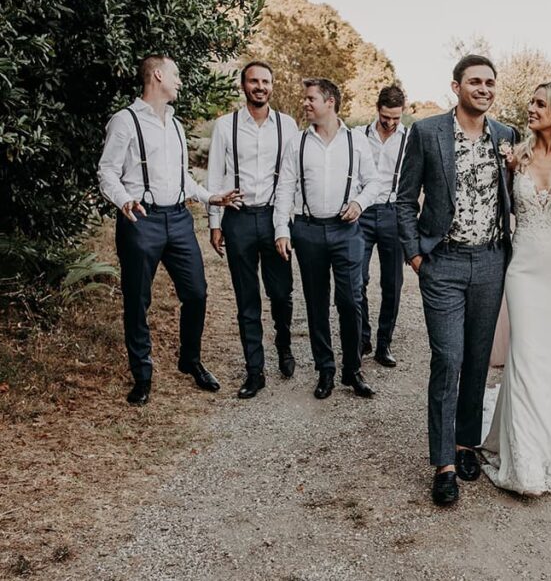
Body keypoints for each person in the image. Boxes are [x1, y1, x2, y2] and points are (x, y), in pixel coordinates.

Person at [395, 55, 516, 506]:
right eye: (475, 82)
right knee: (448, 358)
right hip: (441, 263)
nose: (483, 89)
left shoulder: (506, 136)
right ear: (456, 86)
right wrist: (414, 253)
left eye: (489, 83)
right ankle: (443, 462)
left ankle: (467, 443)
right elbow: (404, 198)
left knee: (478, 360)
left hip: (490, 262)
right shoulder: (426, 132)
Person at [98, 54, 242, 406]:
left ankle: (189, 360)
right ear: (158, 75)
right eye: (176, 74)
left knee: (197, 293)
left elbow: (184, 180)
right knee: (138, 300)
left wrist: (212, 198)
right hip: (140, 221)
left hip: (179, 221)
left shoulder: (176, 125)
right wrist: (124, 201)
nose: (179, 81)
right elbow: (106, 172)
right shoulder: (125, 121)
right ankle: (142, 375)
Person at [480, 81, 551, 496]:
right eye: (531, 102)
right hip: (524, 268)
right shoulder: (516, 154)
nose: (531, 108)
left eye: (540, 104)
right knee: (526, 352)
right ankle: (524, 456)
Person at [273, 78, 383, 400]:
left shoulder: (356, 141)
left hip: (346, 230)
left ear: (330, 101)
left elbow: (374, 183)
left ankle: (353, 369)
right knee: (316, 303)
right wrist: (282, 229)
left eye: (311, 99)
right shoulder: (297, 142)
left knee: (351, 300)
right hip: (307, 230)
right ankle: (326, 370)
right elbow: (284, 188)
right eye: (305, 99)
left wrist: (359, 203)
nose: (306, 104)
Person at [207, 61, 299, 399]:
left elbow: (293, 176)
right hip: (239, 218)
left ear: (272, 86)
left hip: (275, 218)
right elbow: (215, 176)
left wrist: (288, 222)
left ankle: (284, 346)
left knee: (281, 293)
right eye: (253, 81)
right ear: (243, 85)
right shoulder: (224, 126)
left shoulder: (288, 126)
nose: (259, 86)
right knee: (247, 299)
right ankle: (254, 371)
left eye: (265, 81)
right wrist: (215, 224)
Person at [358, 85, 409, 368]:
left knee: (392, 283)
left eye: (396, 118)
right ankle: (362, 337)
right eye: (386, 117)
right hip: (362, 213)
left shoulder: (409, 138)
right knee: (357, 279)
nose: (390, 123)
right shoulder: (358, 136)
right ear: (377, 109)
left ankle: (384, 343)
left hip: (393, 213)